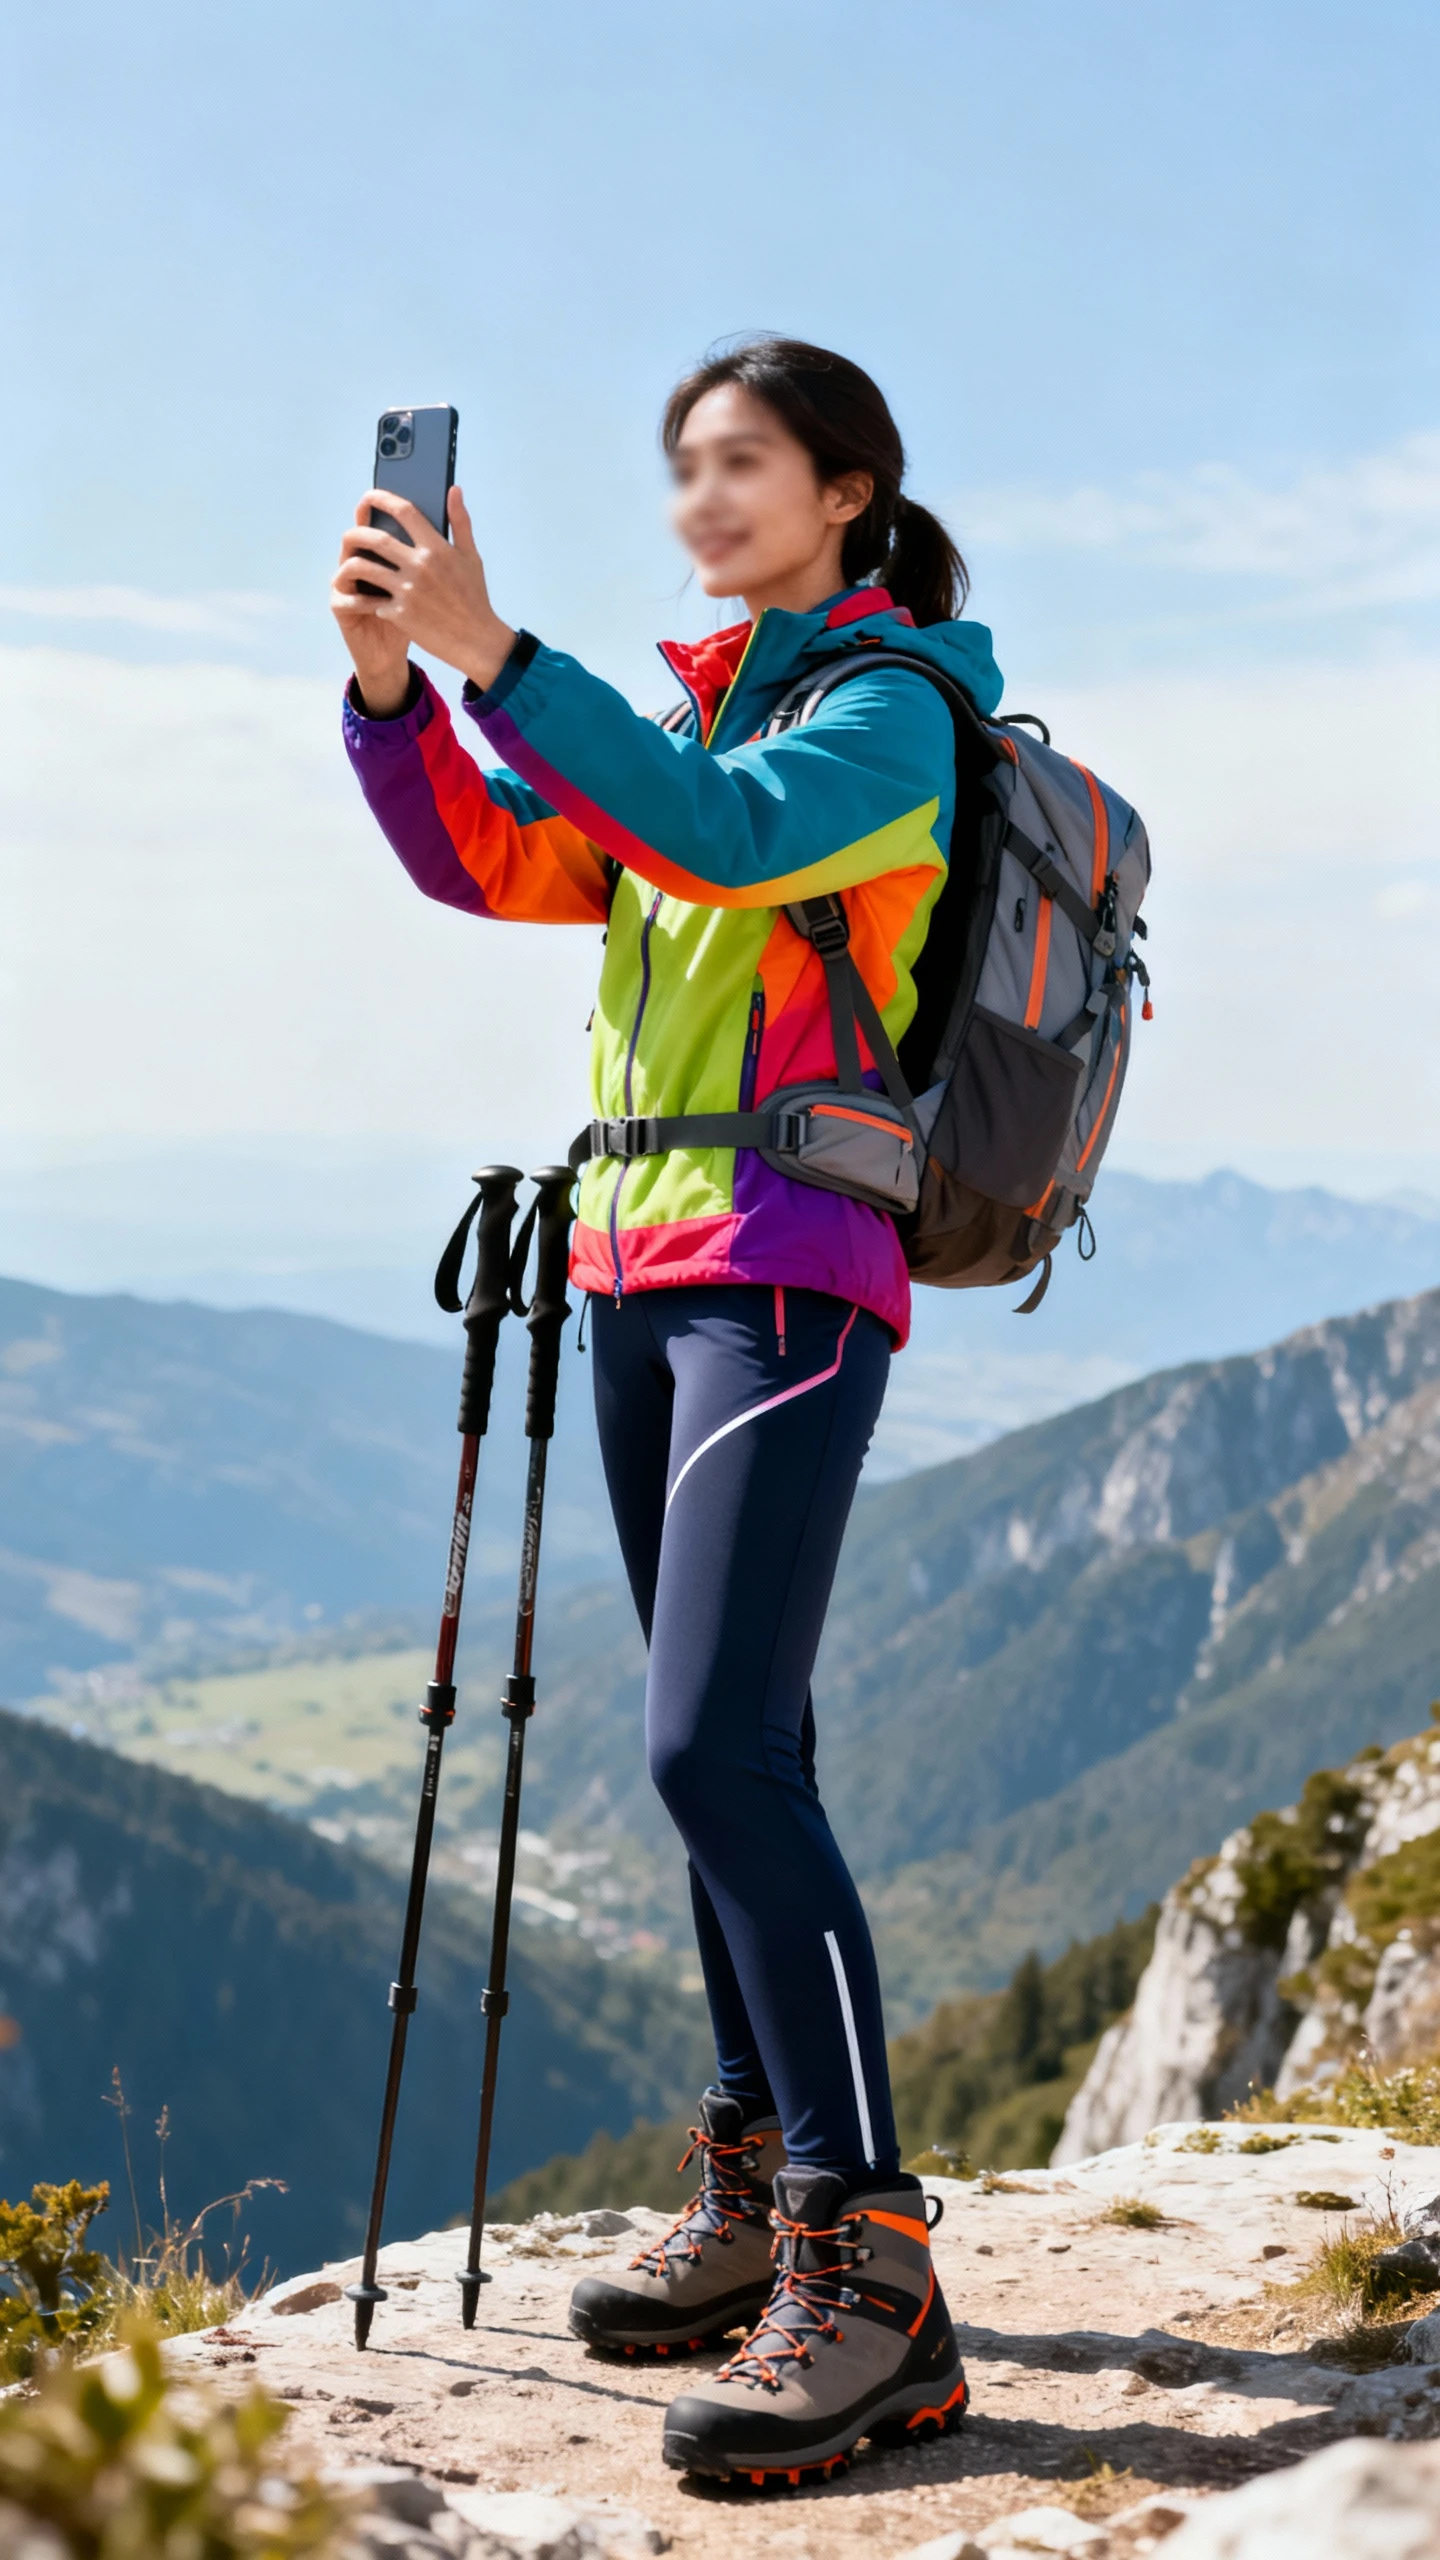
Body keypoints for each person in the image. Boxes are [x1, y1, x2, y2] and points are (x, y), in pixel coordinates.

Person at [332, 337, 1001, 2483]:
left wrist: (500, 648)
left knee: (713, 1743)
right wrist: (390, 694)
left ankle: (872, 2268)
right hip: (643, 1273)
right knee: (733, 1750)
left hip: (785, 1276)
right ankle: (752, 2193)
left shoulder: (893, 712)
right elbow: (500, 865)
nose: (700, 494)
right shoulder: (694, 698)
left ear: (849, 493)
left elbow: (716, 845)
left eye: (744, 463)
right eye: (679, 465)